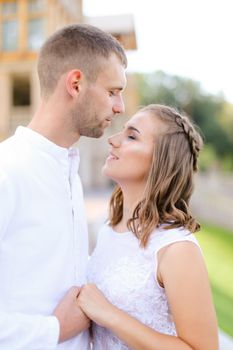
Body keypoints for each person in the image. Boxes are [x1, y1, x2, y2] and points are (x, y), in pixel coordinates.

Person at [0, 24, 127, 350]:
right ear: (75, 84)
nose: (120, 107)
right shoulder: (6, 171)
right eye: (113, 92)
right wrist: (54, 330)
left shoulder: (69, 172)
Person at [77, 104, 219, 350]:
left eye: (132, 136)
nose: (112, 140)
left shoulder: (176, 248)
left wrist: (110, 315)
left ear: (161, 160)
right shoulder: (108, 228)